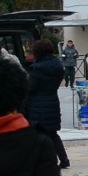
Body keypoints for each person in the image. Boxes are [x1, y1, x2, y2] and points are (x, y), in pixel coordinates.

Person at [25, 38, 72, 168]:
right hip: (52, 101)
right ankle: (64, 159)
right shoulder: (57, 65)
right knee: (53, 134)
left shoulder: (37, 68)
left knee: (36, 133)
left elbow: (30, 87)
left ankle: (41, 161)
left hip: (37, 104)